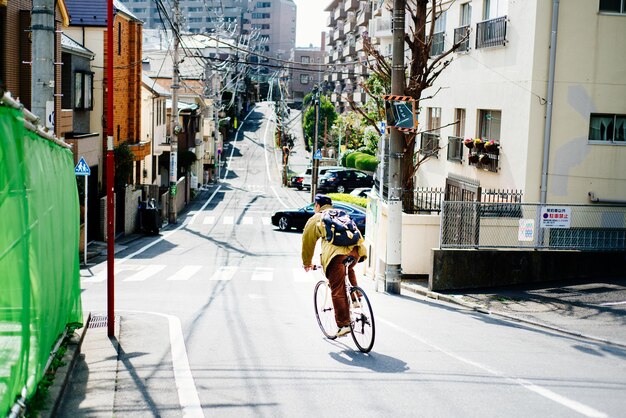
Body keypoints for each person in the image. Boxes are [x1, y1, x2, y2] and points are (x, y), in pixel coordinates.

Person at [302, 194, 367, 338]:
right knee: (348, 268)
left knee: (337, 288)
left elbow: (308, 241)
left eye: (315, 206)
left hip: (336, 256)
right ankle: (355, 298)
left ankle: (344, 324)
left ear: (317, 206)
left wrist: (307, 262)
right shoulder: (341, 214)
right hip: (355, 251)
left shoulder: (317, 218)